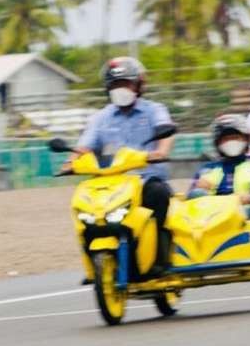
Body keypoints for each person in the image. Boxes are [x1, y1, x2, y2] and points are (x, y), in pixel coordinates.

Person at [68, 57, 175, 273]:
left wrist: (162, 151)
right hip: (112, 182)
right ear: (108, 89)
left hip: (146, 178)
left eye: (125, 83)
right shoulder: (101, 118)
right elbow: (85, 146)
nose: (121, 89)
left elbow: (166, 130)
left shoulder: (154, 110)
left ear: (138, 85)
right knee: (86, 206)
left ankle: (160, 259)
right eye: (115, 85)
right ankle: (97, 261)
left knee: (159, 195)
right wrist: (70, 162)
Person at [188, 114, 250, 219]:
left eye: (236, 138)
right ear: (218, 143)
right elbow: (190, 202)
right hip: (214, 224)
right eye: (226, 139)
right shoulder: (208, 170)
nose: (231, 142)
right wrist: (200, 191)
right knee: (196, 194)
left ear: (245, 140)